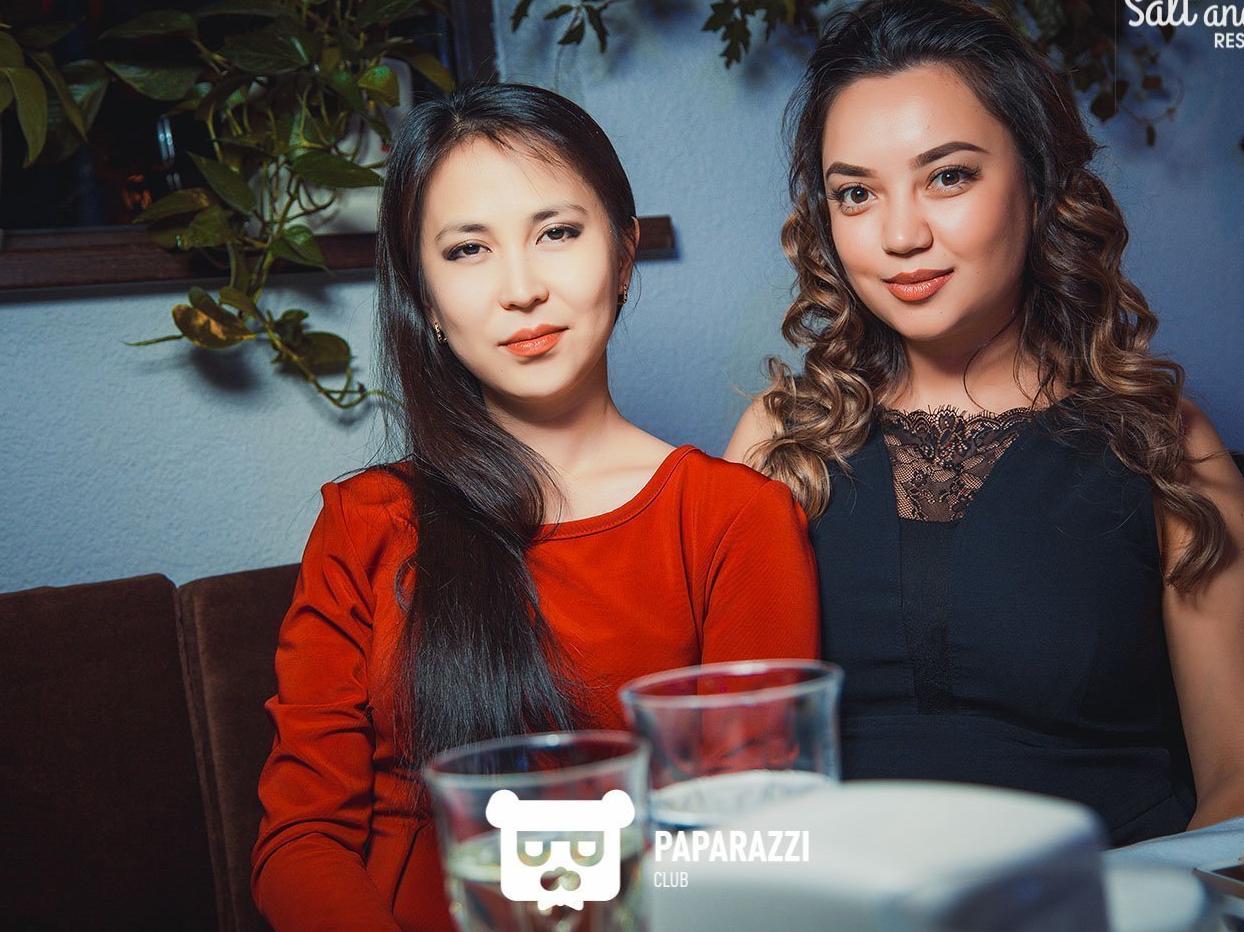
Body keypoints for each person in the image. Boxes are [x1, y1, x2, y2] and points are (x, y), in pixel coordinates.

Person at [726, 0, 1244, 845]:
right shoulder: (781, 440)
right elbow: (723, 757)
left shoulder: (1163, 444)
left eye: (948, 176)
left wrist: (1138, 901)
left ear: (1038, 184)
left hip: (1108, 894)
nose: (900, 234)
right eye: (856, 193)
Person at [252, 83, 820, 931]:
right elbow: (301, 842)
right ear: (425, 298)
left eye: (557, 233)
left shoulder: (735, 518)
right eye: (467, 250)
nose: (521, 289)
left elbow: (750, 841)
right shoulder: (366, 522)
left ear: (623, 253)